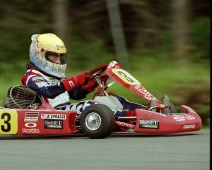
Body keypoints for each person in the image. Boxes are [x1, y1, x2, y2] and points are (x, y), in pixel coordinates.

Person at [21, 33, 168, 118]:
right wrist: (74, 80)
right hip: (52, 114)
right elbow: (48, 91)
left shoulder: (57, 76)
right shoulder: (31, 76)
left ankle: (151, 110)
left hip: (67, 110)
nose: (58, 60)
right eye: (54, 57)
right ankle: (140, 117)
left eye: (60, 57)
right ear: (38, 54)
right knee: (91, 106)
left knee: (112, 99)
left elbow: (75, 94)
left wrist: (88, 87)